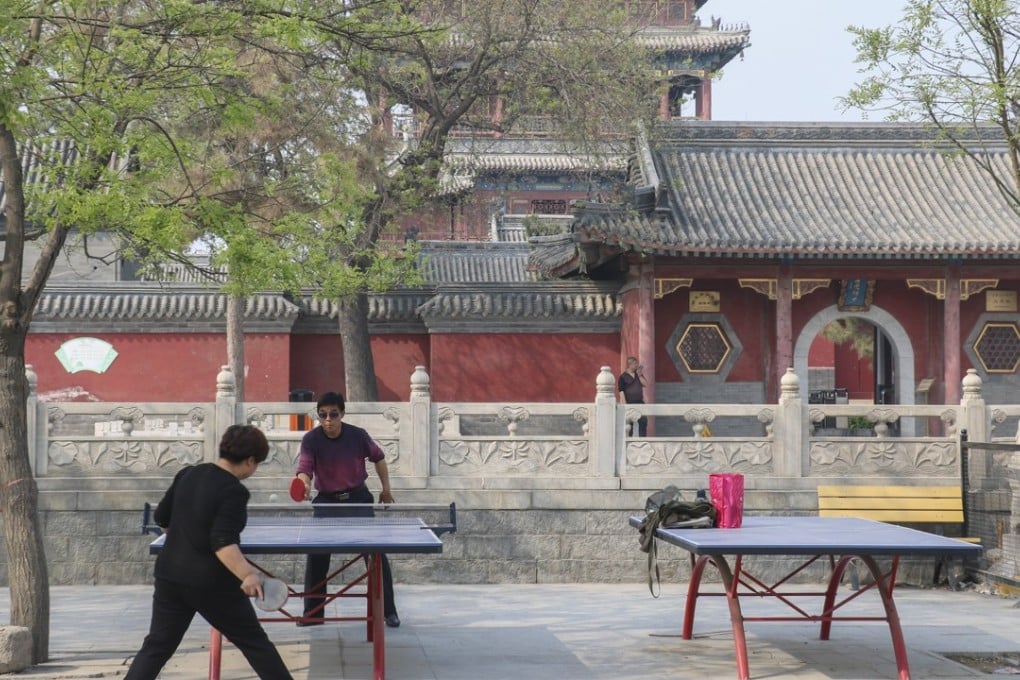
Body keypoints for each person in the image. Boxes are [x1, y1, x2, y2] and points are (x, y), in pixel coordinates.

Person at [125, 425, 292, 680]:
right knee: (255, 644)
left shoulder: (188, 474)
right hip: (211, 583)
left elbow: (162, 518)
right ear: (249, 460)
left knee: (156, 647)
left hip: (170, 575)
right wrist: (248, 575)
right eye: (256, 463)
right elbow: (222, 541)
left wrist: (188, 536)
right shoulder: (234, 491)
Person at [293, 391, 400, 628]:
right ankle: (313, 613)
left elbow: (379, 458)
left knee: (376, 555)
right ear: (318, 416)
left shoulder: (358, 436)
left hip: (357, 499)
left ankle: (389, 611)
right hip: (326, 501)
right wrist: (304, 484)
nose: (328, 419)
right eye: (323, 415)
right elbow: (304, 470)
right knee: (317, 556)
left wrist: (386, 489)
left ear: (342, 413)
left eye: (333, 414)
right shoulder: (311, 439)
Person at [618, 356, 648, 437]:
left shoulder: (638, 374)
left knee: (643, 422)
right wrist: (625, 404)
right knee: (629, 425)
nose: (637, 365)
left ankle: (643, 440)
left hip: (640, 402)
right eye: (635, 364)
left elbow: (645, 384)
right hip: (629, 403)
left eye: (637, 363)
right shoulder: (623, 377)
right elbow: (621, 391)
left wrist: (640, 375)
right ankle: (629, 440)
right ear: (630, 365)